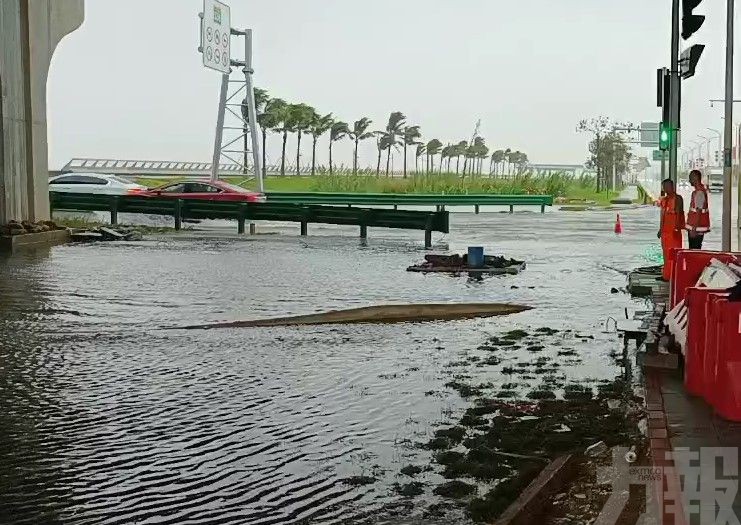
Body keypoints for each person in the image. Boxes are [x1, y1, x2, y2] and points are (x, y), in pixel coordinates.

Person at [658, 178, 684, 282]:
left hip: (674, 231)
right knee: (665, 253)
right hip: (665, 232)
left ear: (672, 187)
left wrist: (677, 228)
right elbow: (662, 216)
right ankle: (666, 275)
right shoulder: (664, 200)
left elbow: (679, 213)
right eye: (664, 187)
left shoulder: (678, 198)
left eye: (667, 186)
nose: (666, 189)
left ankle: (674, 275)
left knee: (674, 254)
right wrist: (660, 229)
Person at [685, 169, 710, 249]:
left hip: (696, 229)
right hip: (697, 228)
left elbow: (698, 211)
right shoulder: (699, 191)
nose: (689, 180)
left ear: (695, 178)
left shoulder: (699, 193)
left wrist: (694, 229)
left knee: (694, 250)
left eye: (690, 178)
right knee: (695, 250)